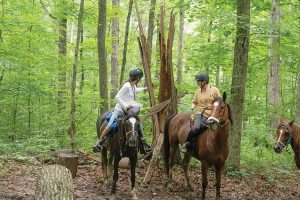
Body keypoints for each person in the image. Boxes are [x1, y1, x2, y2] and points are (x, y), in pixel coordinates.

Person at [93, 67, 152, 154]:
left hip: (129, 109)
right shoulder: (126, 85)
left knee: (137, 124)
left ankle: (143, 144)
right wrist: (125, 105)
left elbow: (135, 90)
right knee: (110, 124)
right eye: (140, 78)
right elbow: (117, 97)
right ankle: (99, 142)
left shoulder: (132, 85)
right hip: (120, 109)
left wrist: (144, 89)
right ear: (138, 78)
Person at [181, 72, 221, 153]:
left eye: (198, 81)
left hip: (213, 114)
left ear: (204, 82)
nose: (197, 83)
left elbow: (220, 102)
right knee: (196, 128)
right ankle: (186, 143)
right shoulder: (198, 91)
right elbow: (194, 102)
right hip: (201, 114)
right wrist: (192, 105)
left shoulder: (215, 90)